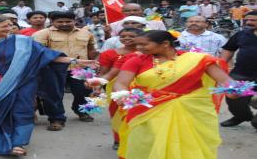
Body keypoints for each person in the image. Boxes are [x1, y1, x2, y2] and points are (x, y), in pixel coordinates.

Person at [0, 14, 96, 155]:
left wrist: (75, 61)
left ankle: (17, 143)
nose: (9, 28)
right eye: (4, 26)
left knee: (22, 111)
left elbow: (47, 55)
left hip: (22, 83)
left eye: (10, 25)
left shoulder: (23, 41)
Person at [113, 30, 235, 159]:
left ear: (165, 43)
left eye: (143, 44)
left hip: (192, 110)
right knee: (152, 142)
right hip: (149, 109)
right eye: (137, 44)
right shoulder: (136, 60)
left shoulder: (197, 59)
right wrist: (123, 95)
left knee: (189, 143)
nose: (138, 48)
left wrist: (234, 91)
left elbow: (225, 81)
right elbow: (121, 82)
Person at [33, 11, 97, 123]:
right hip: (52, 69)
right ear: (52, 22)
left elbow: (91, 49)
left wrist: (94, 64)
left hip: (80, 68)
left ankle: (81, 111)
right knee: (53, 94)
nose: (64, 24)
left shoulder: (86, 33)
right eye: (60, 22)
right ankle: (56, 119)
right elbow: (39, 53)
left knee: (83, 92)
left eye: (68, 21)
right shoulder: (42, 34)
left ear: (75, 21)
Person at [97, 28, 143, 150]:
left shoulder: (149, 53)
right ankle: (118, 140)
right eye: (123, 36)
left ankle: (138, 140)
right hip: (116, 87)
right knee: (118, 114)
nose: (126, 38)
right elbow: (105, 73)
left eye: (131, 36)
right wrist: (97, 85)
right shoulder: (109, 54)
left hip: (141, 87)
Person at [220, 11, 257, 129]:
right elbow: (229, 49)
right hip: (242, 73)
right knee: (234, 97)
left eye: (253, 20)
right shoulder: (242, 34)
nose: (249, 22)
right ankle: (242, 116)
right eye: (247, 20)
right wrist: (221, 64)